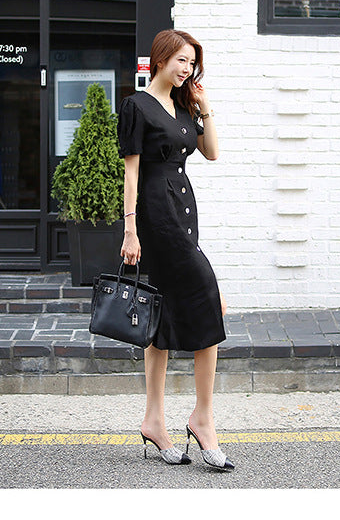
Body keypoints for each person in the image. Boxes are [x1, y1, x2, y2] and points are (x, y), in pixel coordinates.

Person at [117, 29, 234, 471]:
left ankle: (155, 420)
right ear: (161, 59)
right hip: (155, 214)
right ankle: (202, 419)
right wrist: (130, 231)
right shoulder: (136, 106)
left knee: (161, 315)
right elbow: (131, 173)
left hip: (183, 211)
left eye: (192, 63)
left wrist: (205, 108)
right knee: (209, 298)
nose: (187, 69)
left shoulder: (184, 105)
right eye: (181, 60)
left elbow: (212, 153)